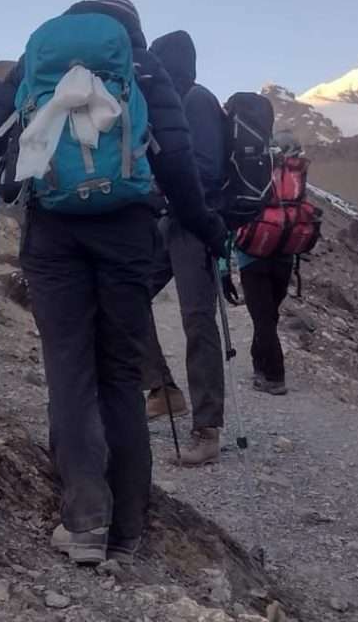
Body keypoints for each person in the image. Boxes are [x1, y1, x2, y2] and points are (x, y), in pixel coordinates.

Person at [0, 0, 227, 565]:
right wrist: (206, 227)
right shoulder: (144, 68)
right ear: (131, 28)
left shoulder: (37, 62)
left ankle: (84, 521)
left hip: (53, 235)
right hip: (128, 234)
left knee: (69, 366)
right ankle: (128, 527)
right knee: (120, 371)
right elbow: (177, 161)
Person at [141, 30, 228, 467]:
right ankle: (163, 389)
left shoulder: (196, 101)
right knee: (130, 293)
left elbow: (206, 172)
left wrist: (163, 192)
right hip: (170, 222)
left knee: (197, 319)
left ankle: (207, 429)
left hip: (196, 224)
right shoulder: (177, 101)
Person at [235, 131, 300, 396]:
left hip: (252, 257)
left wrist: (223, 266)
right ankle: (259, 364)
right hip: (284, 256)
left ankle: (274, 375)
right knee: (268, 315)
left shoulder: (247, 174)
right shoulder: (293, 177)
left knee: (263, 318)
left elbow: (235, 215)